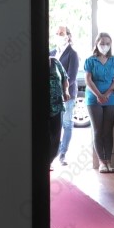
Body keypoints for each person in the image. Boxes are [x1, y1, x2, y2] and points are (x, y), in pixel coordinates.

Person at [84, 32, 114, 173]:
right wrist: (99, 95)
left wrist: (107, 94)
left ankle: (109, 161)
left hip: (110, 99)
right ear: (97, 44)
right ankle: (101, 162)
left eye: (107, 43)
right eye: (102, 43)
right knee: (98, 130)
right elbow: (88, 80)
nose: (105, 46)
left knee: (108, 131)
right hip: (94, 99)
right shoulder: (90, 61)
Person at [50, 25, 79, 166]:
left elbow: (71, 77)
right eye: (57, 33)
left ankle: (62, 154)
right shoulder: (52, 52)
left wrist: (62, 91)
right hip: (53, 97)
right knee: (55, 125)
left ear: (68, 36)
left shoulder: (72, 54)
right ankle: (52, 154)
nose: (59, 36)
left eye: (61, 33)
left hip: (68, 95)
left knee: (67, 124)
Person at [48, 56, 70, 169]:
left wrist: (66, 91)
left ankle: (49, 161)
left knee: (56, 136)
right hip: (40, 105)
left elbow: (65, 78)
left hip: (57, 104)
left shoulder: (55, 62)